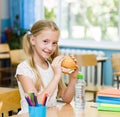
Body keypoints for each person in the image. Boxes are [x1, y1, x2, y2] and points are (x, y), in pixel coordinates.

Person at [15, 19, 79, 114]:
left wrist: (73, 78)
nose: (50, 48)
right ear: (33, 40)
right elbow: (36, 103)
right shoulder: (24, 69)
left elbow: (67, 98)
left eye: (54, 43)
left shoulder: (51, 66)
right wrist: (56, 76)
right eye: (45, 41)